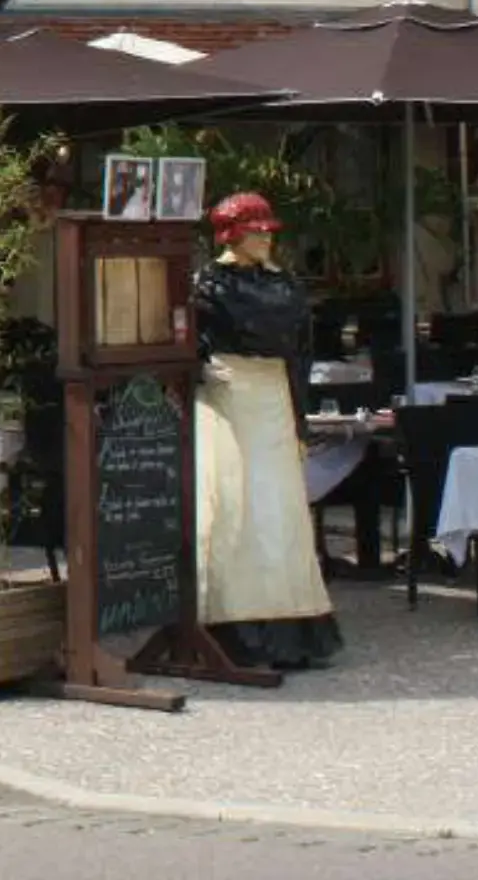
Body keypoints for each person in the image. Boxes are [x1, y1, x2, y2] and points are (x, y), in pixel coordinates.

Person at [192, 191, 343, 669]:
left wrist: (300, 415)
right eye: (255, 231)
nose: (264, 239)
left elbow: (300, 351)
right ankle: (232, 621)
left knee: (279, 512)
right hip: (229, 397)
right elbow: (189, 343)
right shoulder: (209, 284)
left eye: (266, 231)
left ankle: (292, 620)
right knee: (234, 504)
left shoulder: (285, 283)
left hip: (274, 399)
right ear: (233, 234)